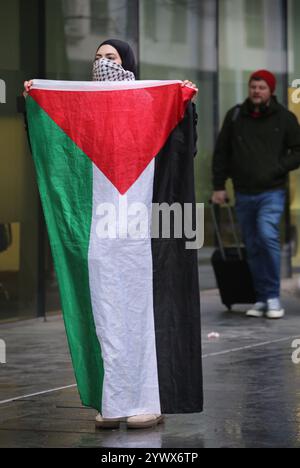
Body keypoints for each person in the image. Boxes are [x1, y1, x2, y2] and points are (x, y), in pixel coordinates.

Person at [24, 39, 202, 429]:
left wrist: (181, 106)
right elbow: (57, 151)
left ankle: (148, 399)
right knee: (103, 313)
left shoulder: (148, 104)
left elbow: (180, 154)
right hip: (99, 235)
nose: (102, 63)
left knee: (142, 313)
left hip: (144, 234)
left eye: (112, 57)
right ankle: (114, 397)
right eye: (98, 57)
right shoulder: (83, 111)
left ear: (129, 64)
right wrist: (36, 103)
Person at [212, 69, 300, 319]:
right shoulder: (235, 116)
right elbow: (221, 154)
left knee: (266, 235)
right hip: (243, 193)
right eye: (253, 87)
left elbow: (298, 150)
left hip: (271, 192)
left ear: (270, 90)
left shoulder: (284, 118)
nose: (256, 91)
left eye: (261, 87)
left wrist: (278, 167)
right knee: (252, 245)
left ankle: (273, 296)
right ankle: (261, 298)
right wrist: (219, 186)